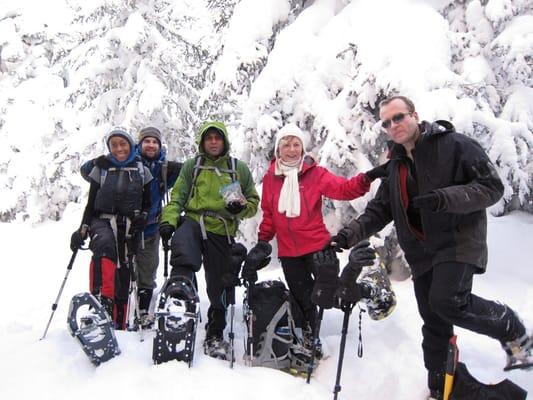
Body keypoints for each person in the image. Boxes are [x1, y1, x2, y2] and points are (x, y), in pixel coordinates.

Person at [331, 95, 532, 400]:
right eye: (386, 122)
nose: (393, 125)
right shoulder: (395, 166)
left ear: (414, 115)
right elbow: (379, 210)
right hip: (421, 253)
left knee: (448, 301)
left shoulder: (454, 145)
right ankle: (441, 387)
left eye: (398, 117)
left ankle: (509, 324)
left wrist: (444, 198)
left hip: (457, 241)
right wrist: (346, 236)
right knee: (434, 322)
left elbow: (492, 187)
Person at [241, 123, 387, 357]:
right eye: (286, 144)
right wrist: (262, 242)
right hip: (289, 252)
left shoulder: (315, 174)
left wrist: (368, 177)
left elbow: (344, 189)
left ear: (303, 147)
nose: (292, 149)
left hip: (318, 248)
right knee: (304, 298)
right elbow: (269, 215)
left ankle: (369, 290)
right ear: (278, 149)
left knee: (332, 294)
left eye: (296, 144)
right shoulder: (270, 179)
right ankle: (311, 339)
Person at [159, 121, 259, 360]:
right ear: (202, 142)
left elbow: (253, 203)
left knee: (219, 284)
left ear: (224, 141)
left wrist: (239, 209)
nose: (213, 142)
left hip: (221, 229)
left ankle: (215, 332)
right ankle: (178, 313)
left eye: (218, 138)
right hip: (193, 221)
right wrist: (169, 221)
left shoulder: (238, 168)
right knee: (182, 256)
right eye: (209, 138)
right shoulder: (193, 166)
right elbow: (178, 197)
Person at [70, 127, 153, 329]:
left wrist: (143, 217)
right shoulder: (102, 168)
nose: (118, 149)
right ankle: (101, 304)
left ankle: (119, 322)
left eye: (122, 144)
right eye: (114, 145)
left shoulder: (143, 170)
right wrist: (83, 227)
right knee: (104, 246)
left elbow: (148, 203)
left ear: (130, 145)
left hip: (129, 225)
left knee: (124, 269)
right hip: (102, 219)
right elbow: (91, 203)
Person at [133, 127, 181, 327]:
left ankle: (143, 307)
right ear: (140, 144)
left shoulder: (164, 168)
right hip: (126, 228)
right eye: (147, 141)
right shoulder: (129, 163)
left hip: (151, 227)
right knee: (125, 270)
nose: (151, 145)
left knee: (148, 269)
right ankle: (121, 306)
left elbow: (187, 173)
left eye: (155, 142)